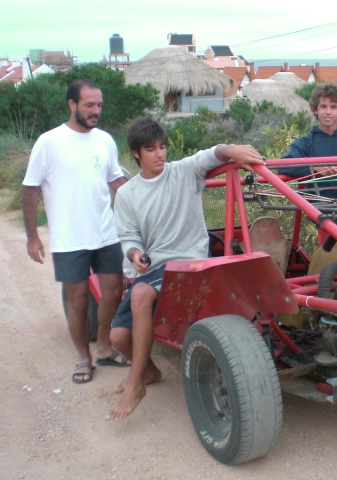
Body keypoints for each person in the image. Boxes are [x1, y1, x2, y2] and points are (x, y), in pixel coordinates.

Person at [107, 118, 265, 420]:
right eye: (151, 149)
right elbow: (127, 235)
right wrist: (135, 252)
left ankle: (134, 384)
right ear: (137, 154)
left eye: (163, 147)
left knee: (140, 294)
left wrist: (233, 150)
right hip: (155, 266)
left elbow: (209, 154)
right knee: (117, 339)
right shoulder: (128, 194)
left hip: (191, 261)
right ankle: (149, 373)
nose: (160, 154)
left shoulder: (182, 172)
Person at [22, 80, 128, 385]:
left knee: (113, 293)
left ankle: (105, 347)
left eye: (99, 105)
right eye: (89, 105)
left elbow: (117, 182)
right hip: (69, 239)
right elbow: (30, 189)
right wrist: (32, 236)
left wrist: (146, 200)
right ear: (72, 104)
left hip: (106, 233)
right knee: (78, 300)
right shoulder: (49, 141)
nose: (96, 111)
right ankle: (84, 357)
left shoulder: (105, 141)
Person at [277, 82, 337, 200]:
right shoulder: (305, 144)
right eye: (323, 106)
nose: (328, 112)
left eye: (333, 107)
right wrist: (313, 168)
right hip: (322, 214)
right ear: (316, 110)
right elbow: (283, 166)